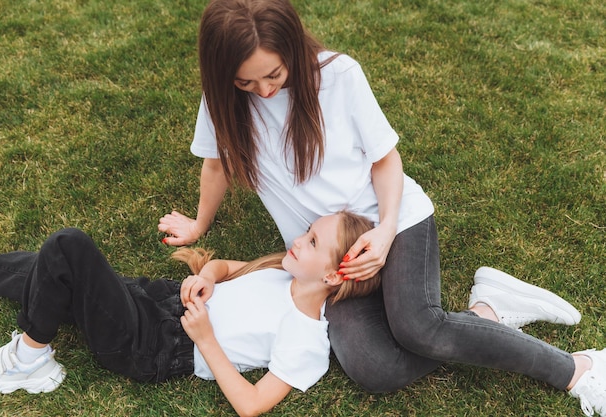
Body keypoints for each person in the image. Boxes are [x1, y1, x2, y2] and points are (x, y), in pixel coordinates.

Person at [157, 0, 606, 415]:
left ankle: (578, 369)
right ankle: (487, 311)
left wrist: (387, 229)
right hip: (331, 254)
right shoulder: (222, 103)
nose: (266, 91)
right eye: (246, 82)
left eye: (274, 74)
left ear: (291, 47)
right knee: (372, 367)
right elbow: (215, 166)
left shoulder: (337, 76)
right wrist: (198, 225)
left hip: (394, 217)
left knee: (418, 327)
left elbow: (386, 160)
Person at [0, 211, 381, 417]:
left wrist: (206, 338)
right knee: (53, 269)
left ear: (332, 274)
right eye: (307, 229)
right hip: (156, 298)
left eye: (311, 241)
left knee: (69, 246)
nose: (297, 239)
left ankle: (29, 360)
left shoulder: (307, 338)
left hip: (152, 344)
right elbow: (222, 267)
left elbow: (252, 404)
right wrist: (205, 278)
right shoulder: (283, 272)